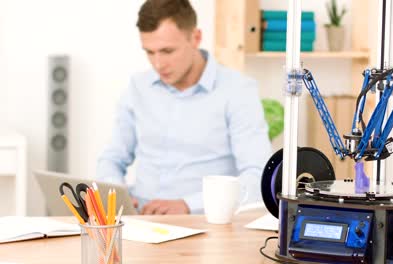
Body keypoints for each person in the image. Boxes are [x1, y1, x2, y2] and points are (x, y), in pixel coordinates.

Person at [96, 0, 272, 215]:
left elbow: (258, 176)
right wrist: (117, 194)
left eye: (167, 51)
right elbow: (112, 159)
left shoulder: (237, 91)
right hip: (141, 219)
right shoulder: (137, 87)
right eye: (149, 52)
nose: (158, 64)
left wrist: (189, 205)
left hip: (203, 223)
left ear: (196, 38)